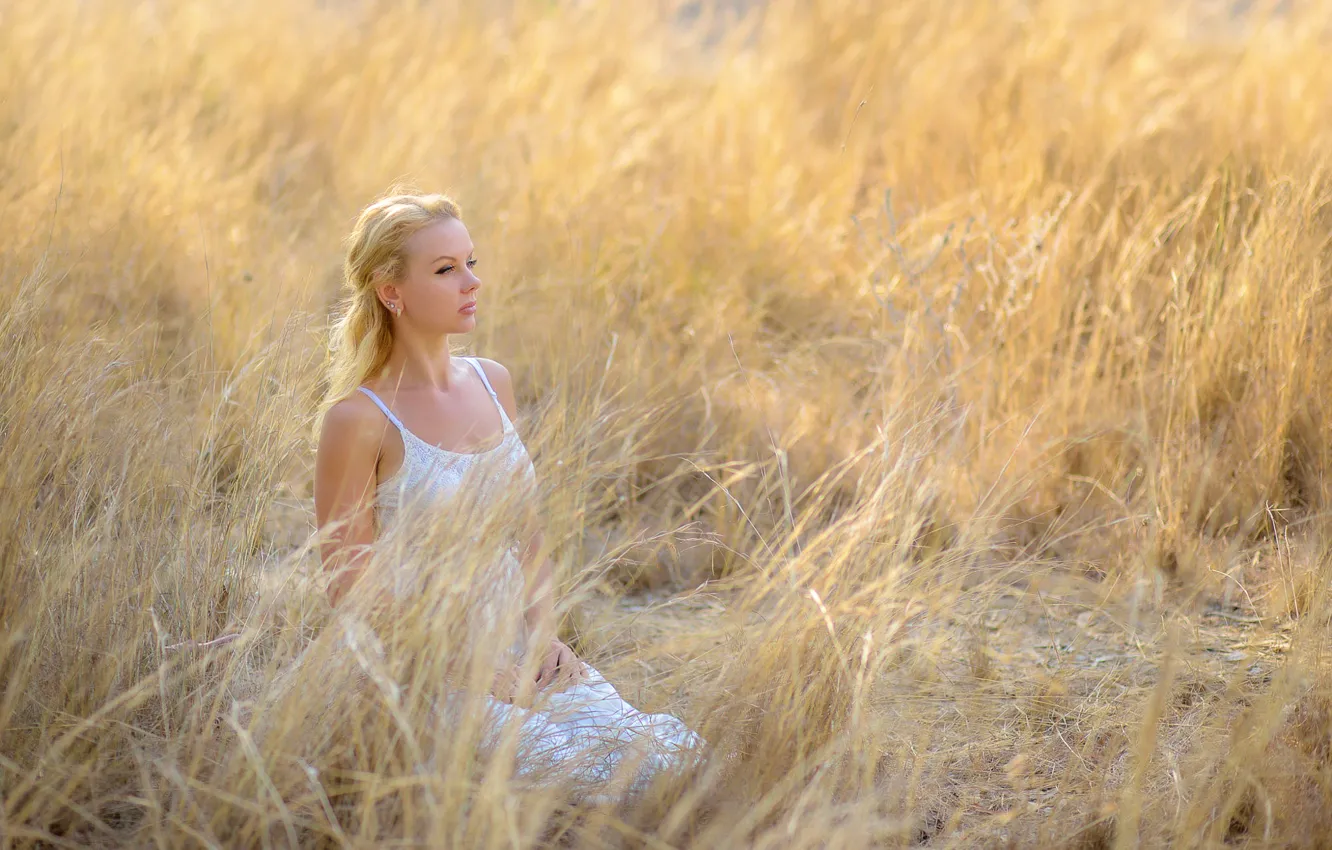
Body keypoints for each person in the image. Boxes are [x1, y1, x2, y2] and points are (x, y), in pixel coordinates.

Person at [310, 188, 703, 802]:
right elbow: (348, 584)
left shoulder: (493, 381)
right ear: (391, 292)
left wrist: (545, 638)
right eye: (446, 270)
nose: (472, 282)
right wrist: (472, 672)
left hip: (521, 651)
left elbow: (528, 535)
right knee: (591, 779)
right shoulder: (358, 419)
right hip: (423, 669)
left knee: (674, 759)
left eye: (470, 262)